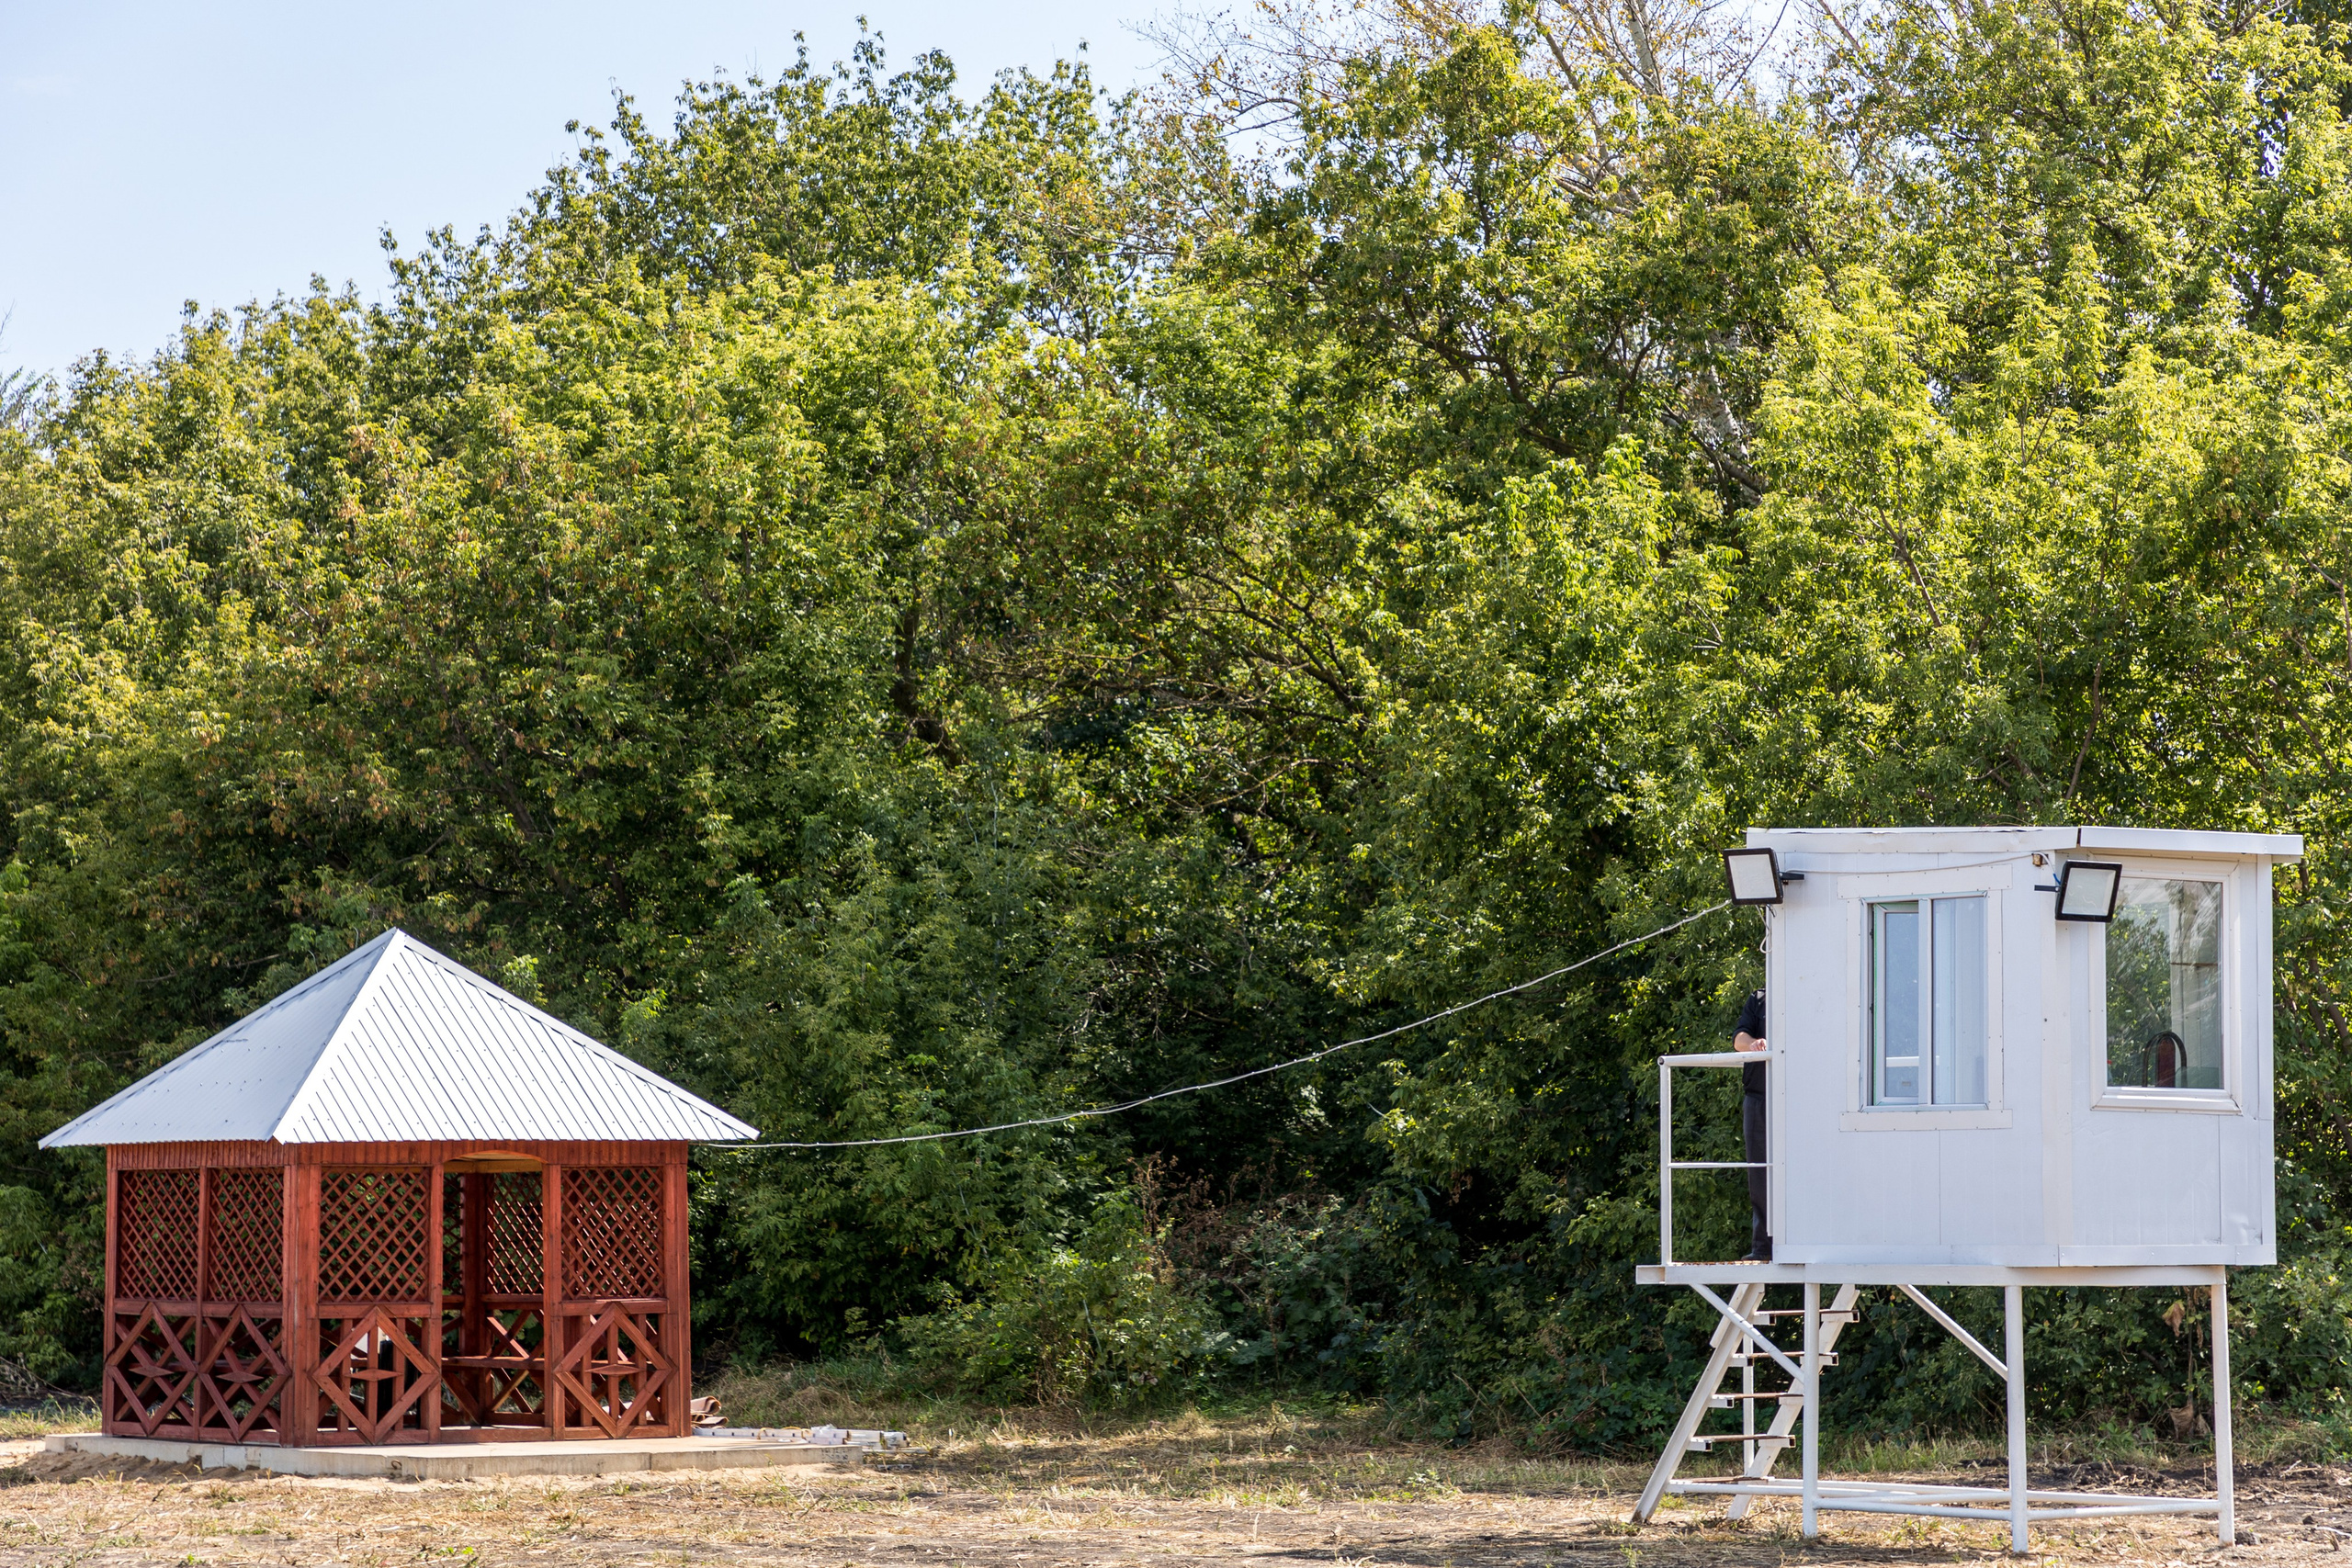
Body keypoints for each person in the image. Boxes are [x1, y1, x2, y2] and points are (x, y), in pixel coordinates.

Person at [1734, 988, 1770, 1261]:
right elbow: (1739, 1039)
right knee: (1759, 1174)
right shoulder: (1759, 998)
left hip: (1800, 1101)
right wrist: (1754, 1044)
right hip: (1758, 1098)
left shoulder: (1811, 993)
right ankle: (1762, 1248)